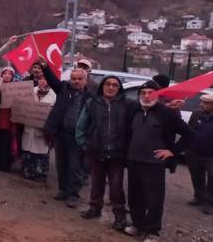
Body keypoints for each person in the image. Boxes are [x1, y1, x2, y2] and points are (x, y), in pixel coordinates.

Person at [124, 81, 192, 242]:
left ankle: (152, 232)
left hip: (154, 165)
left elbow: (189, 134)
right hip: (134, 161)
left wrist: (172, 151)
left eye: (151, 93)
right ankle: (138, 226)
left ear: (158, 94)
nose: (147, 96)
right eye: (143, 93)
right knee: (134, 197)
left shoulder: (166, 114)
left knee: (154, 200)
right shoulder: (134, 110)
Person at [75, 75, 133, 230]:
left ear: (119, 88)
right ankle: (95, 208)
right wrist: (84, 145)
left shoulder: (127, 104)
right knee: (96, 183)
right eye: (108, 84)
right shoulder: (92, 103)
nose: (111, 87)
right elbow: (81, 126)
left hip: (117, 154)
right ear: (102, 86)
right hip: (95, 151)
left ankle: (120, 215)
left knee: (116, 186)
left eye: (115, 85)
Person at [42, 60, 91, 208]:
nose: (76, 81)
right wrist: (45, 66)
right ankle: (63, 190)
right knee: (61, 164)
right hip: (61, 134)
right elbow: (51, 79)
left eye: (79, 79)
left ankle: (73, 194)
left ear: (85, 80)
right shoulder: (63, 89)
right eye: (73, 78)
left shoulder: (91, 97)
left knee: (75, 167)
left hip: (77, 138)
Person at [21, 76, 55, 182]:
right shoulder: (31, 91)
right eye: (40, 79)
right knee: (28, 150)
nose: (42, 81)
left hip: (43, 129)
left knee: (41, 151)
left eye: (45, 79)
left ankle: (39, 173)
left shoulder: (54, 94)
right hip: (29, 126)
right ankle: (27, 171)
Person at [184, 94, 213, 215]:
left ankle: (210, 203)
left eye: (205, 103)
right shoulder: (196, 114)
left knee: (212, 179)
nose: (201, 104)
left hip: (211, 156)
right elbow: (189, 131)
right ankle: (199, 197)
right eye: (201, 102)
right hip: (194, 152)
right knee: (196, 176)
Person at [0, 67, 19, 172]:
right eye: (5, 73)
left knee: (6, 140)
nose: (7, 75)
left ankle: (4, 163)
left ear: (12, 76)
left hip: (9, 117)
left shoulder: (16, 88)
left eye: (9, 74)